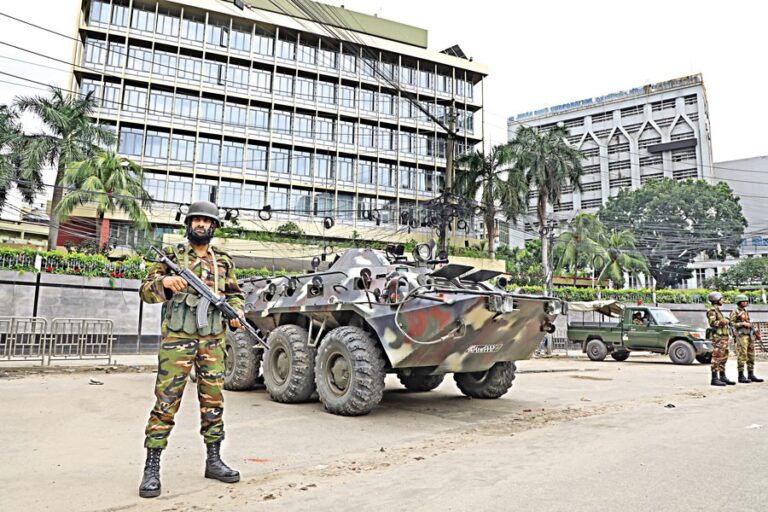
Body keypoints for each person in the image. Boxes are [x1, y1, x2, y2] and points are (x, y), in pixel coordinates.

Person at [137, 200, 245, 498]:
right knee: (166, 402)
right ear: (189, 224)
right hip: (177, 340)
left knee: (213, 401)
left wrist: (236, 314)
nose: (200, 224)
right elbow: (146, 291)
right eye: (195, 220)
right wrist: (165, 282)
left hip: (212, 341)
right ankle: (152, 467)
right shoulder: (172, 255)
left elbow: (235, 295)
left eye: (206, 221)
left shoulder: (223, 260)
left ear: (213, 227)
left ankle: (214, 460)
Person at [729, 294, 764, 384]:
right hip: (741, 336)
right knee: (742, 355)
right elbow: (731, 324)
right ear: (739, 302)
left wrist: (755, 332)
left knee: (751, 355)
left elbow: (748, 323)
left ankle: (751, 374)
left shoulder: (745, 311)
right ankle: (741, 376)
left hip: (749, 335)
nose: (745, 302)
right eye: (743, 301)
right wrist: (742, 324)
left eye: (746, 301)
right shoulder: (735, 311)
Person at [706, 292, 735, 386]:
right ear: (716, 299)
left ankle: (722, 376)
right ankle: (714, 378)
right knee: (717, 357)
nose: (723, 300)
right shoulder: (712, 310)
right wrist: (723, 321)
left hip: (723, 337)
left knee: (724, 356)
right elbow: (713, 323)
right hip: (718, 337)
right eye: (721, 299)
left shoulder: (718, 310)